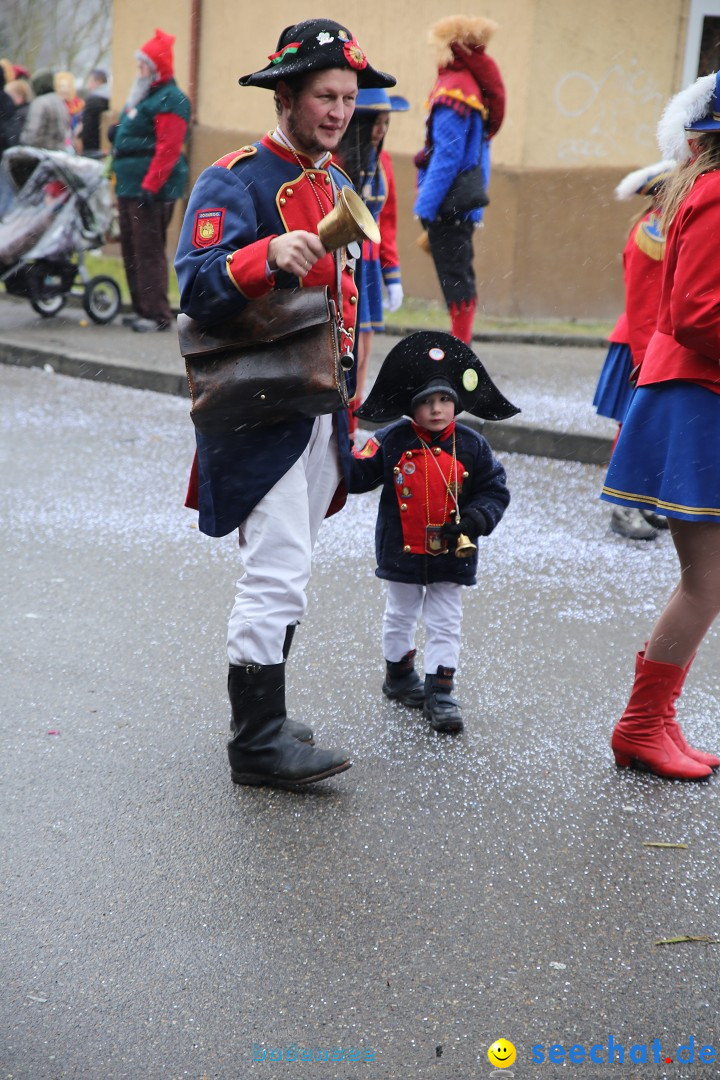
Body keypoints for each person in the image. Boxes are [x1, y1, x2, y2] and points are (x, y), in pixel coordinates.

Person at [174, 19, 396, 789]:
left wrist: (353, 406)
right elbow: (195, 286)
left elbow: (345, 305)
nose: (340, 111)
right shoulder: (234, 179)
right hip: (259, 406)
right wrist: (264, 256)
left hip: (318, 406)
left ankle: (267, 718)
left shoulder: (334, 182)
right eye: (326, 97)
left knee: (292, 564)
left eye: (348, 98)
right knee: (273, 569)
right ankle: (257, 741)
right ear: (286, 96)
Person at [601, 70, 720, 782]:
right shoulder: (713, 194)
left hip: (700, 395)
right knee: (706, 580)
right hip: (693, 398)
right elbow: (696, 313)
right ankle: (642, 724)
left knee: (708, 578)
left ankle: (654, 719)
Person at [350, 331, 516, 732]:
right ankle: (399, 674)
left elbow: (495, 490)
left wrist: (477, 519)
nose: (437, 409)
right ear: (411, 407)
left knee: (445, 618)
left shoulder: (473, 446)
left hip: (452, 552)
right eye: (426, 402)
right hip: (400, 550)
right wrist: (338, 440)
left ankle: (440, 689)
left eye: (444, 400)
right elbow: (357, 476)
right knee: (400, 614)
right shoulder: (389, 440)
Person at [593, 160, 675, 541]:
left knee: (645, 428)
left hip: (652, 344)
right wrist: (644, 360)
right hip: (639, 346)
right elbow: (644, 305)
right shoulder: (651, 233)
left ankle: (639, 500)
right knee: (631, 428)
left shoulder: (665, 227)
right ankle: (623, 509)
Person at [414, 15, 506, 344]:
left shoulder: (454, 89)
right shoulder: (474, 90)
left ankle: (460, 347)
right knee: (461, 275)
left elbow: (448, 155)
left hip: (446, 203)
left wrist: (425, 205)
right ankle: (461, 343)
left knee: (456, 279)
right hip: (462, 202)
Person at [335, 86, 408, 431]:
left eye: (386, 122)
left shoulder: (385, 163)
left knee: (363, 354)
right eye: (375, 122)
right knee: (344, 354)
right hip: (342, 264)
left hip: (369, 267)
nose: (381, 130)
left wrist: (392, 274)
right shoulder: (335, 162)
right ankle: (339, 423)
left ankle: (352, 425)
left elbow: (387, 222)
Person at [110, 29, 189, 332]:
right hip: (131, 184)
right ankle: (142, 308)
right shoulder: (147, 96)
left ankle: (156, 314)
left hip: (149, 188)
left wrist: (151, 186)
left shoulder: (171, 99)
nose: (138, 71)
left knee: (148, 250)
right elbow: (138, 128)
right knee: (131, 248)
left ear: (156, 68)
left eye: (143, 65)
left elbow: (168, 148)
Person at [21, 68, 70, 151]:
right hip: (58, 153)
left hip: (42, 153)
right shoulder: (60, 102)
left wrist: (23, 142)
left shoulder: (40, 102)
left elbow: (32, 133)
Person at [77, 68, 110, 157]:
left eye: (90, 81)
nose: (88, 86)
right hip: (105, 148)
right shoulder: (111, 98)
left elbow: (87, 128)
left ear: (98, 81)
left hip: (92, 151)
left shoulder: (93, 101)